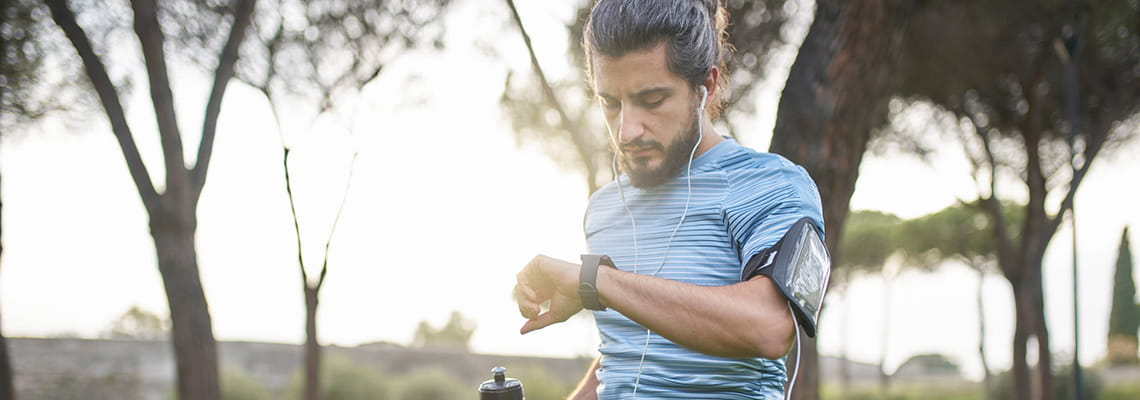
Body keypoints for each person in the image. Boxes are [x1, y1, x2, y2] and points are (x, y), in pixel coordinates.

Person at [512, 0, 825, 399]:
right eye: (610, 103)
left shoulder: (771, 184)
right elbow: (626, 356)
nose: (626, 130)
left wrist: (593, 281)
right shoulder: (605, 208)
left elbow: (768, 327)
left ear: (705, 88)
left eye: (652, 100)